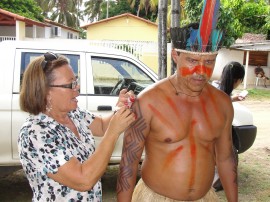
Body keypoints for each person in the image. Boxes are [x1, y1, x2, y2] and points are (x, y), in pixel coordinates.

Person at [117, 0, 238, 201]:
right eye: (192, 61)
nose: (201, 71)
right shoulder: (148, 102)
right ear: (175, 55)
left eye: (209, 62)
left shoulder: (222, 104)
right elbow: (128, 163)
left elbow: (225, 159)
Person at [18, 52, 136, 201]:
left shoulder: (72, 113)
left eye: (76, 81)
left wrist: (119, 109)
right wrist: (113, 133)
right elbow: (83, 180)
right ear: (46, 92)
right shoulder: (35, 133)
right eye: (71, 84)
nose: (77, 87)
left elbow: (101, 125)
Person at [211, 61, 245, 192]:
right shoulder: (222, 94)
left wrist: (232, 99)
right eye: (240, 80)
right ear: (236, 80)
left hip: (214, 134)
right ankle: (211, 190)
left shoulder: (215, 87)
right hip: (218, 135)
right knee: (226, 163)